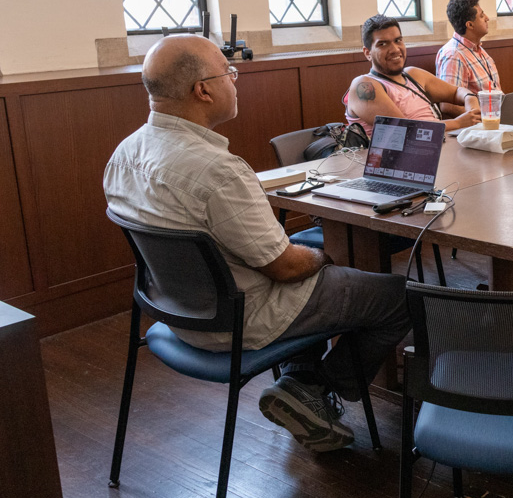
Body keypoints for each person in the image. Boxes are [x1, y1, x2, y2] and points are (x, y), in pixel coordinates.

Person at [104, 35, 411, 453]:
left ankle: (297, 384)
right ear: (203, 90)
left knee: (307, 244)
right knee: (401, 296)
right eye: (229, 73)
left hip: (178, 311)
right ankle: (316, 388)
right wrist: (324, 257)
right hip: (242, 318)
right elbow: (284, 268)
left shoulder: (122, 154)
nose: (235, 81)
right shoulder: (217, 170)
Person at [345, 14, 481, 136]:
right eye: (383, 44)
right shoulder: (364, 85)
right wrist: (458, 123)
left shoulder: (413, 75)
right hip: (396, 160)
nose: (394, 49)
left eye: (398, 40)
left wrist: (470, 102)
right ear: (367, 53)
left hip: (438, 149)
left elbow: (457, 92)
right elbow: (405, 129)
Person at [436, 0, 500, 117]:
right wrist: (484, 116)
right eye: (482, 16)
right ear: (470, 25)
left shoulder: (477, 48)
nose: (487, 18)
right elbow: (448, 106)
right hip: (479, 126)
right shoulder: (454, 55)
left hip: (495, 119)